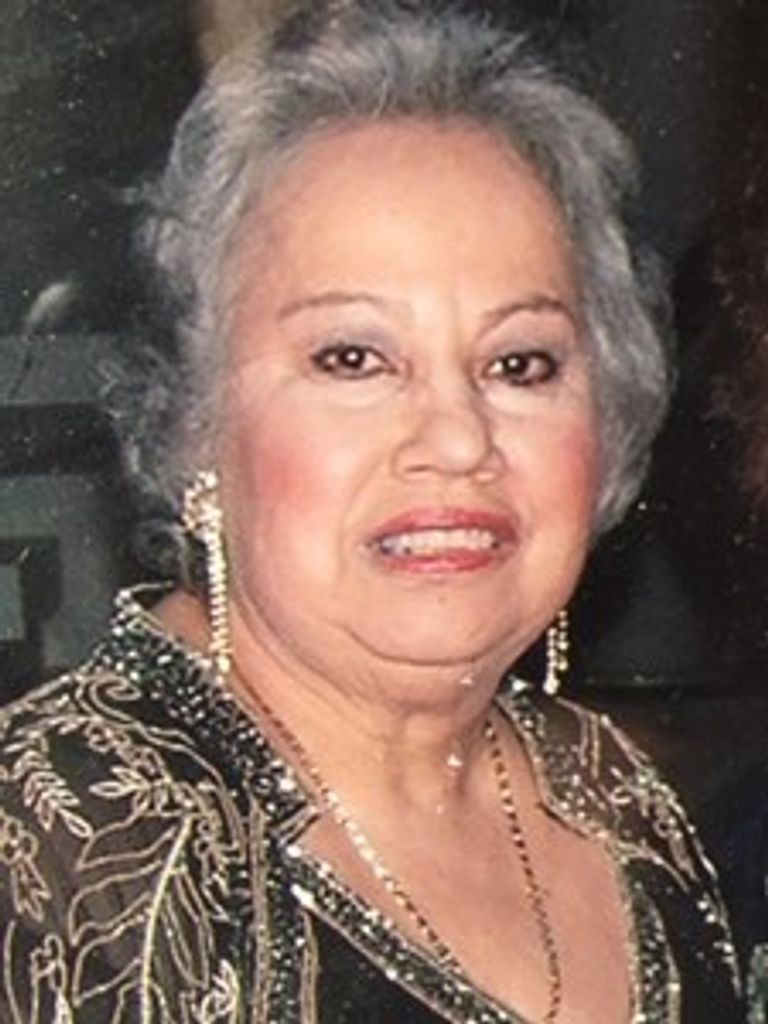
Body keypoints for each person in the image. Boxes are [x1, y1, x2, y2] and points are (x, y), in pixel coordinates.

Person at [0, 3, 743, 1021]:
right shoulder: (59, 845)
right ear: (197, 422)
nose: (459, 438)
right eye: (354, 358)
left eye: (520, 363)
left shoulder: (618, 801)